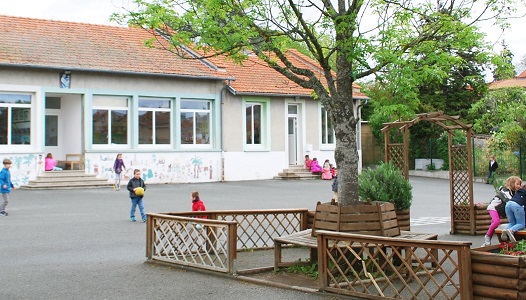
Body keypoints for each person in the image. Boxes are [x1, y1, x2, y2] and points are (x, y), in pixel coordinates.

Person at [481, 176, 521, 246]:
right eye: (517, 184)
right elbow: (509, 201)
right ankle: (487, 236)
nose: (519, 186)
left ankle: (486, 242)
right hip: (493, 208)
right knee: (496, 222)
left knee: (494, 224)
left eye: (520, 184)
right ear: (512, 184)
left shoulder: (513, 192)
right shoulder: (505, 191)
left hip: (499, 209)